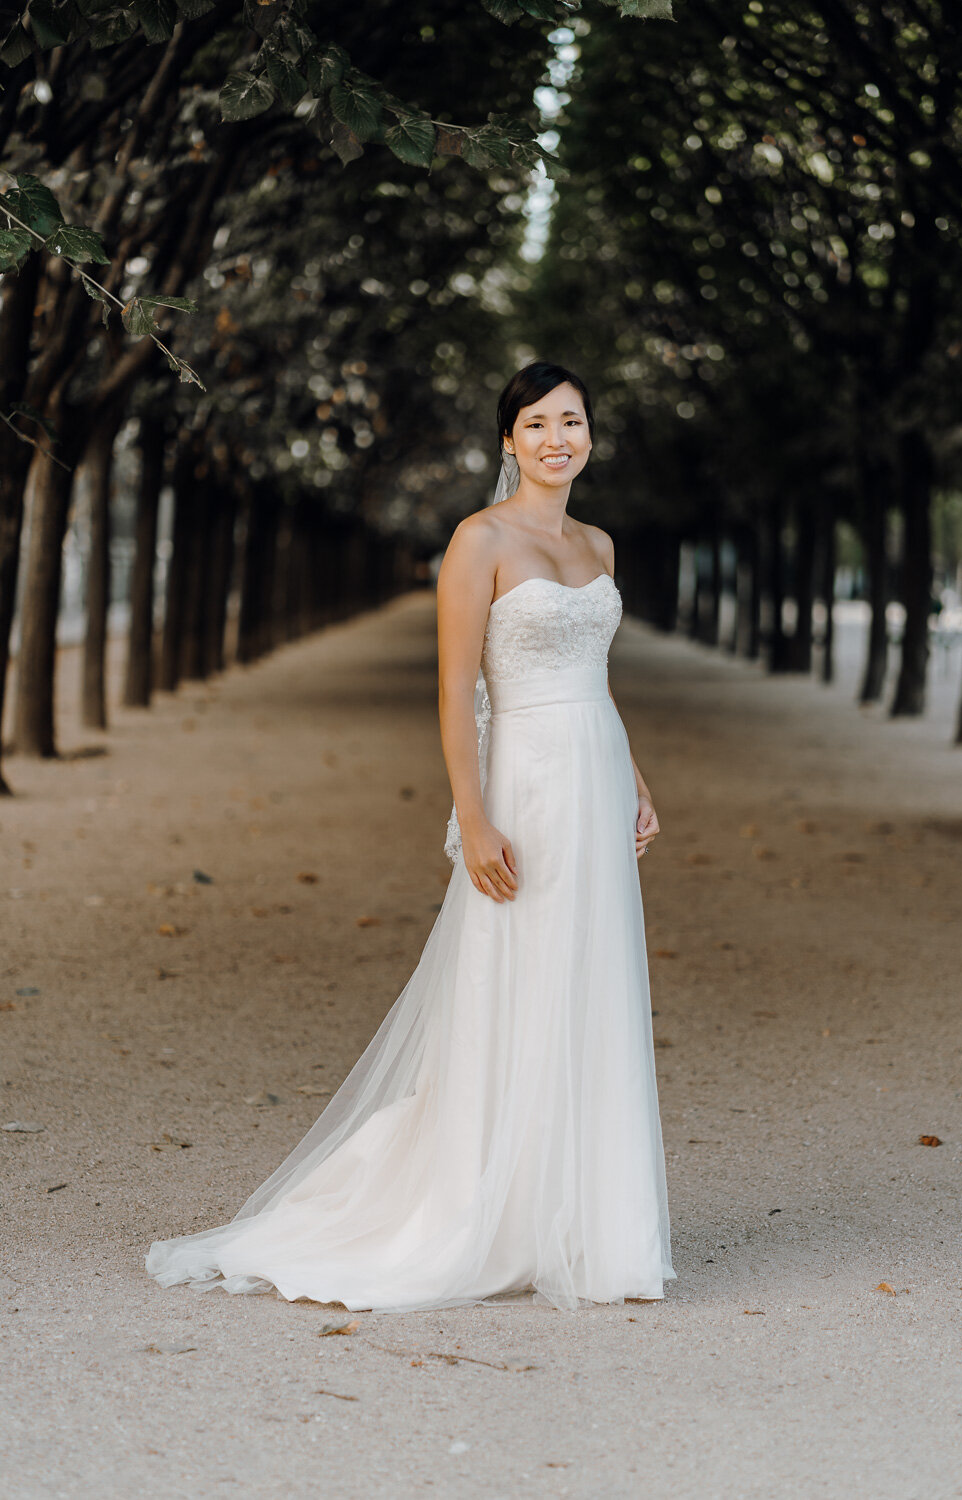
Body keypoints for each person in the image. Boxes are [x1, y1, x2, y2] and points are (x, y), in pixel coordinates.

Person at [146, 361, 675, 1313]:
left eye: (574, 422)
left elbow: (593, 672)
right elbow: (453, 689)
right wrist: (473, 816)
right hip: (524, 784)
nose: (560, 439)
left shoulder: (599, 542)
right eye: (538, 424)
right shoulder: (479, 541)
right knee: (514, 974)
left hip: (594, 771)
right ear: (508, 440)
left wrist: (633, 776)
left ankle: (587, 1218)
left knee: (590, 977)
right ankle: (483, 1206)